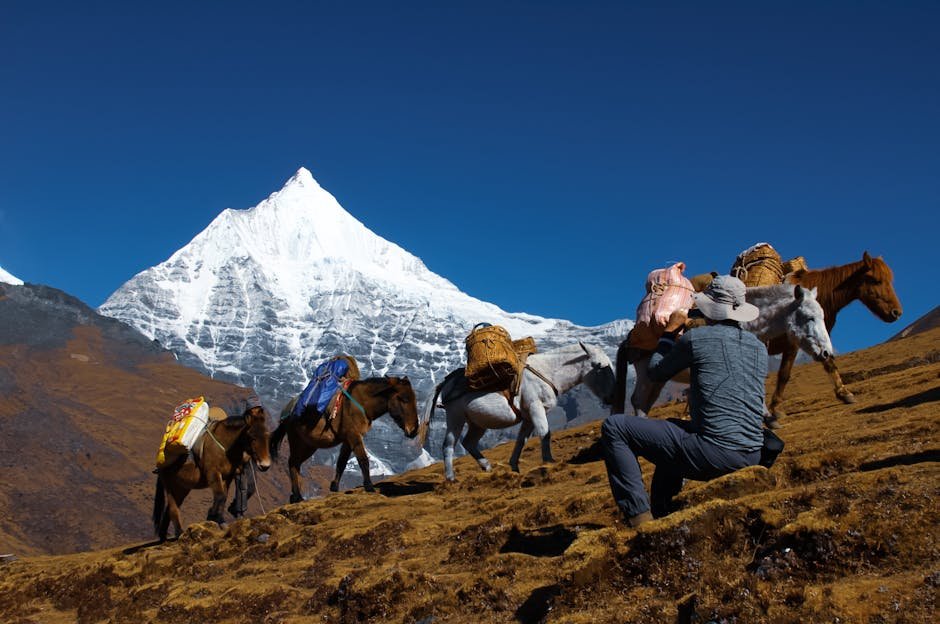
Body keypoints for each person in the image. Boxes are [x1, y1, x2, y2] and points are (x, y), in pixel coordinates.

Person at [601, 275, 767, 527]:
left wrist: (668, 333)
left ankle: (640, 521)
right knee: (672, 429)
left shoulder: (697, 339)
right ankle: (662, 508)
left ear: (708, 308)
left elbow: (655, 372)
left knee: (615, 427)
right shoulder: (758, 347)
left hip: (714, 453)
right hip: (753, 454)